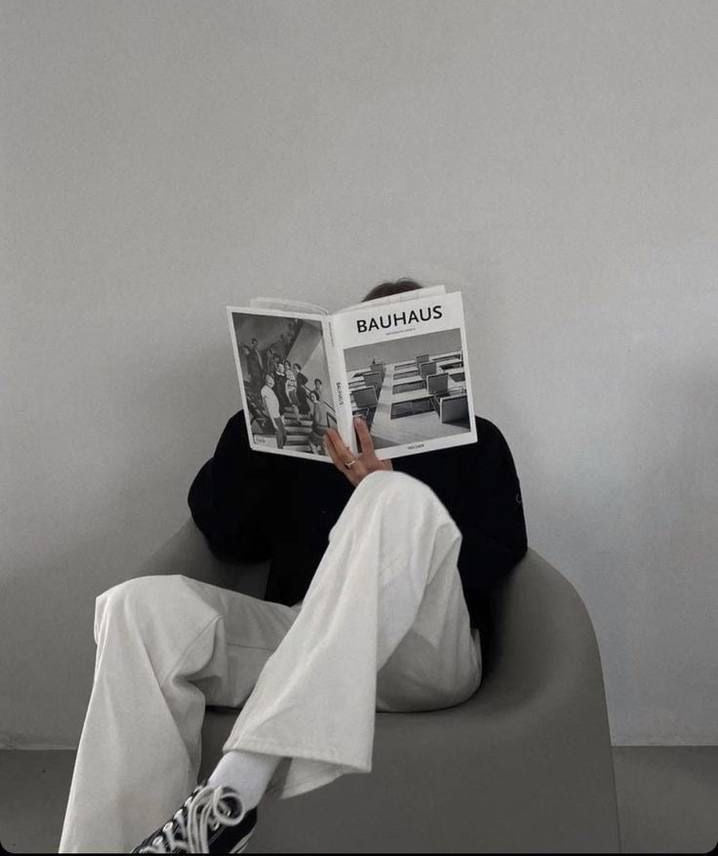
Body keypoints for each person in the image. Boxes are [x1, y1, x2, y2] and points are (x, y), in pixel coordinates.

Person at [59, 278, 528, 854]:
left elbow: (500, 553)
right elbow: (227, 536)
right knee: (135, 607)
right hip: (303, 635)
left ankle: (232, 793)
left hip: (425, 649)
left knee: (394, 497)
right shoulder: (306, 441)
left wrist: (387, 505)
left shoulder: (476, 440)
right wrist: (255, 426)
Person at [259, 373, 286, 450]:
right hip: (273, 417)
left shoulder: (270, 390)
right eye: (268, 380)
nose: (271, 381)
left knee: (284, 436)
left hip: (277, 416)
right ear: (265, 381)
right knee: (280, 439)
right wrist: (274, 423)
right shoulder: (264, 390)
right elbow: (268, 408)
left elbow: (275, 406)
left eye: (272, 379)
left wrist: (281, 416)